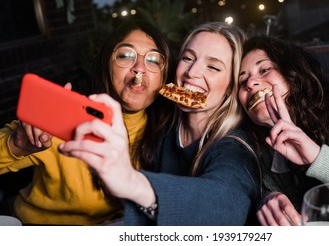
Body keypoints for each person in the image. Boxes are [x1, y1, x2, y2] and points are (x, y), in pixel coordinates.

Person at [59, 22, 262, 225]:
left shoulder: (235, 148)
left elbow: (224, 205)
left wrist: (133, 182)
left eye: (213, 67)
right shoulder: (162, 121)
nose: (192, 72)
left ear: (230, 87)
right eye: (188, 58)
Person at [0, 20, 172, 225]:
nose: (139, 68)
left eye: (153, 60)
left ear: (163, 78)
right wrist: (17, 144)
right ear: (107, 65)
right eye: (126, 55)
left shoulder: (169, 132)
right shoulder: (62, 114)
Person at [237, 35, 329, 226]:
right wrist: (266, 198)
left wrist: (318, 158)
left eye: (265, 70)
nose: (251, 83)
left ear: (293, 72)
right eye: (242, 82)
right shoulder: (260, 150)